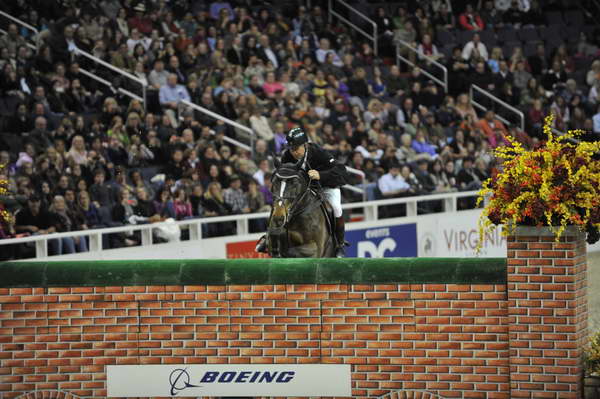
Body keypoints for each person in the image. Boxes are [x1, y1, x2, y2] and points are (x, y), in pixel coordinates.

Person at [256, 127, 349, 257]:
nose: (293, 152)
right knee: (281, 204)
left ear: (305, 145)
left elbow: (341, 170)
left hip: (326, 185)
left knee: (336, 207)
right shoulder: (287, 155)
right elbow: (285, 175)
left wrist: (320, 175)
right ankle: (268, 237)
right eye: (291, 148)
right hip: (302, 189)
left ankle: (339, 244)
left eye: (296, 148)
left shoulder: (318, 152)